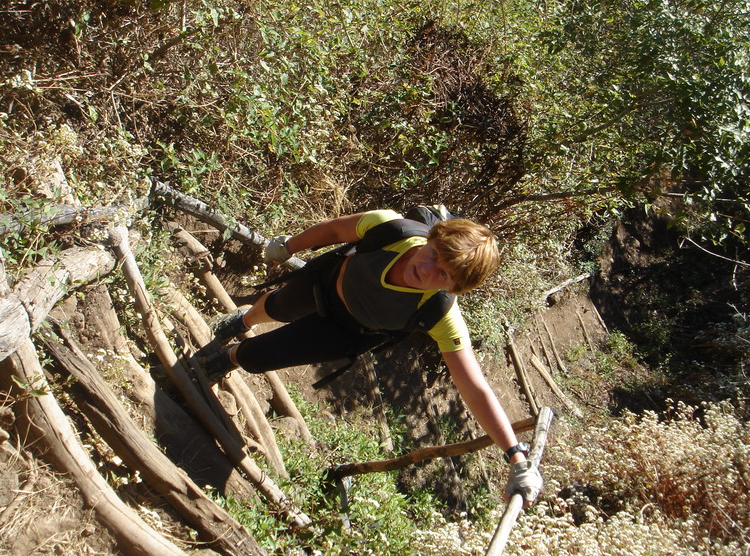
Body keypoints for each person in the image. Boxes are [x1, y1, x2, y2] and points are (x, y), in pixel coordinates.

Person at [198, 209, 542, 506]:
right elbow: (334, 230)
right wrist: (289, 245)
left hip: (347, 331)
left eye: (443, 275)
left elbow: (475, 388)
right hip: (326, 282)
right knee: (276, 306)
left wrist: (516, 457)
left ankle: (228, 359)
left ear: (454, 289)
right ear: (431, 238)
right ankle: (243, 321)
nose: (427, 269)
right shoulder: (392, 228)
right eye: (434, 254)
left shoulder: (440, 315)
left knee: (261, 357)